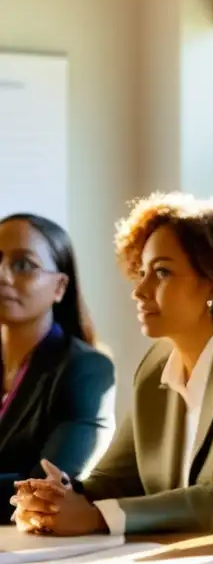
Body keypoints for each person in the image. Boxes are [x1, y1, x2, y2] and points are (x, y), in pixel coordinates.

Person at [12, 193, 213, 535]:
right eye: (141, 272)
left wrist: (96, 517)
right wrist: (59, 498)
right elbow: (116, 479)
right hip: (172, 562)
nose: (140, 290)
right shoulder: (157, 366)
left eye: (162, 272)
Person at [0, 214, 115, 521]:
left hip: (32, 548)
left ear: (60, 286)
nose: (3, 276)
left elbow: (43, 488)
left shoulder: (87, 370)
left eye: (23, 265)